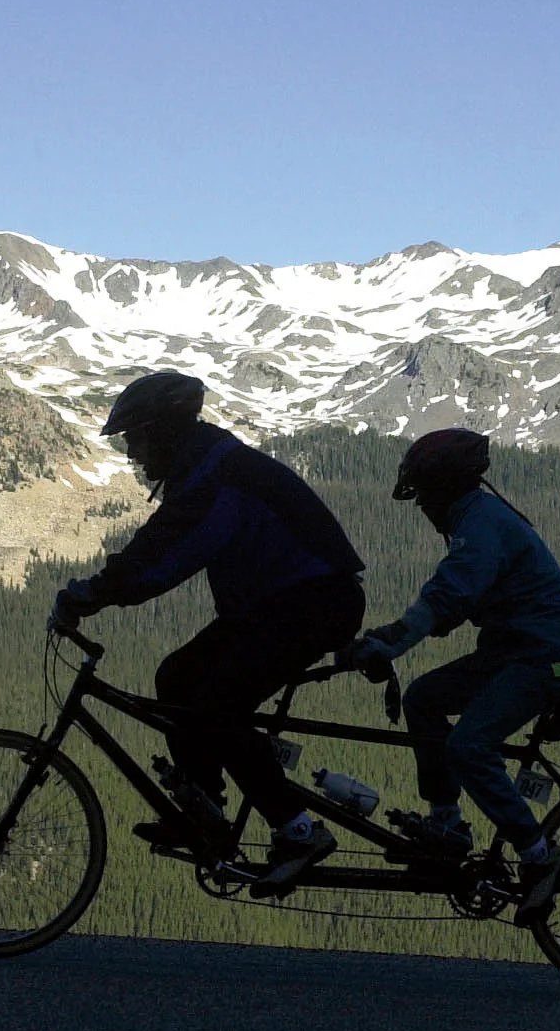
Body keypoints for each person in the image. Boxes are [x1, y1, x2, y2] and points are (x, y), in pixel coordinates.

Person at [51, 371, 365, 894]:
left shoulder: (216, 477)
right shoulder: (208, 465)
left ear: (166, 431)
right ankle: (206, 812)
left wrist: (93, 594)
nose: (136, 455)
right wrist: (102, 589)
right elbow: (162, 542)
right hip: (279, 603)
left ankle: (299, 831)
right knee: (176, 679)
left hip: (312, 603)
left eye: (138, 440)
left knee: (219, 707)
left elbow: (165, 556)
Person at [351, 428, 560, 928]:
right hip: (513, 652)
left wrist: (391, 640)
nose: (420, 506)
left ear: (443, 487)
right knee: (423, 699)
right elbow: (454, 607)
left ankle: (539, 854)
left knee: (468, 748)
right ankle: (448, 827)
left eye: (422, 494)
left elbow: (449, 594)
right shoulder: (475, 518)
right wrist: (389, 636)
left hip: (550, 658)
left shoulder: (480, 524)